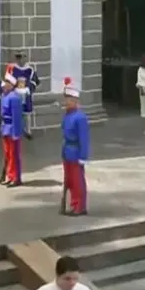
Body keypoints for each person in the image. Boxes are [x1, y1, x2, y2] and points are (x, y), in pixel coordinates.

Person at [60, 77, 90, 217]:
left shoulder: (80, 117)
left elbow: (84, 139)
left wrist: (83, 156)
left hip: (76, 152)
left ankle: (79, 206)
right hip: (67, 151)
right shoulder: (68, 115)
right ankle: (73, 204)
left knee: (78, 181)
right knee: (70, 181)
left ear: (75, 100)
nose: (66, 102)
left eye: (68, 99)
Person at [0, 64, 25, 187]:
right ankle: (10, 175)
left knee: (14, 155)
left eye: (7, 83)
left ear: (11, 84)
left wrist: (16, 133)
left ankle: (16, 177)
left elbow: (16, 118)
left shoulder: (14, 98)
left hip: (12, 129)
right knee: (8, 154)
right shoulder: (5, 96)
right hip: (5, 128)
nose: (4, 85)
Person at [11, 51, 41, 139]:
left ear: (25, 58)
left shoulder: (30, 70)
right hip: (16, 94)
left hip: (26, 94)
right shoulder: (13, 69)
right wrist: (14, 87)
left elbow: (35, 81)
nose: (20, 60)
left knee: (27, 114)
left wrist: (28, 88)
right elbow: (9, 81)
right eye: (19, 58)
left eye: (22, 57)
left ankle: (28, 130)